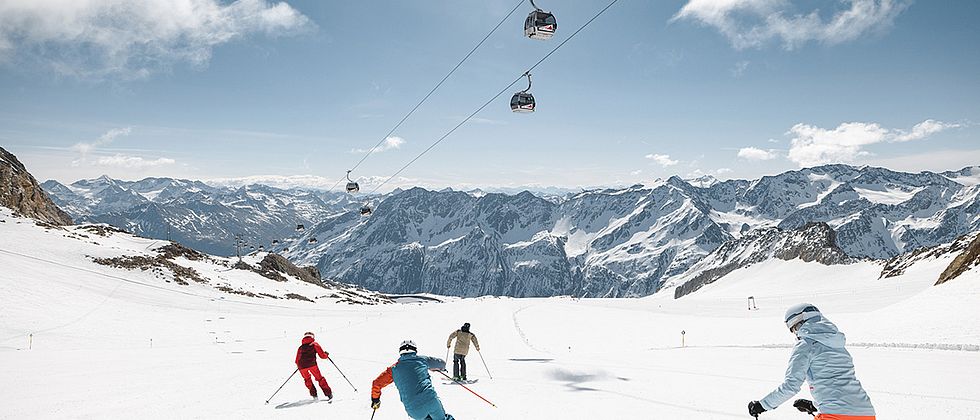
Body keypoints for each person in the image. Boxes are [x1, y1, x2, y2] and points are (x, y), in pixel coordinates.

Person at [748, 304, 876, 420]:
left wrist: (763, 405)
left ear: (798, 324)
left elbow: (791, 386)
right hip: (866, 413)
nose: (795, 334)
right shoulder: (838, 345)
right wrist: (814, 405)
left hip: (835, 414)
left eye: (793, 329)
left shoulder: (805, 345)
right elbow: (839, 382)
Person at [371, 340, 455, 420]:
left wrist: (375, 400)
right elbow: (442, 364)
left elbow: (376, 384)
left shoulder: (393, 369)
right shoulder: (422, 360)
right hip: (431, 402)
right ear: (415, 350)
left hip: (414, 410)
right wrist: (434, 367)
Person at [295, 331, 332, 400]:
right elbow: (322, 356)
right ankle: (328, 394)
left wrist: (300, 365)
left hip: (301, 366)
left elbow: (296, 360)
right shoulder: (314, 344)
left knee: (307, 379)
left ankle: (314, 395)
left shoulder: (300, 347)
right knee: (319, 378)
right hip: (312, 365)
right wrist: (326, 355)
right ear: (312, 337)